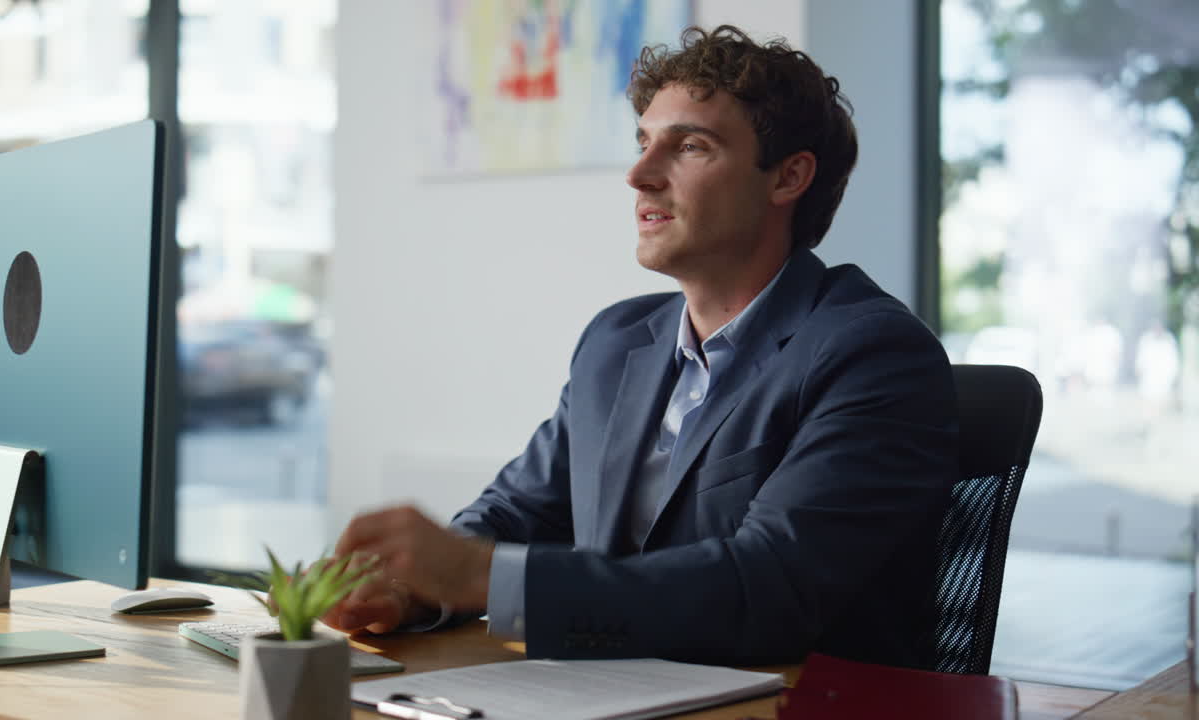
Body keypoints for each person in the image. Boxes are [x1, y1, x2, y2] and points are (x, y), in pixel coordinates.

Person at [326, 25, 957, 667]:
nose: (639, 175)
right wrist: (412, 592)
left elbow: (769, 589)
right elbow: (518, 514)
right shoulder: (617, 341)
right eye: (643, 143)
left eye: (688, 146)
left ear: (787, 178)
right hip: (613, 695)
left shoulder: (873, 354)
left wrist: (482, 578)